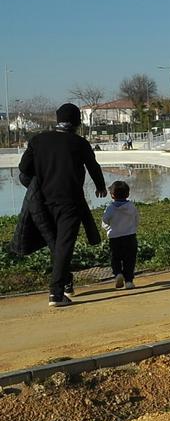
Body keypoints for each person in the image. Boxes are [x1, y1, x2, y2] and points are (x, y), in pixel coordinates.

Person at [17, 103, 106, 307]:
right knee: (64, 244)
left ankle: (65, 282)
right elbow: (93, 166)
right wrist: (100, 186)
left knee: (56, 244)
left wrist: (35, 185)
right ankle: (56, 293)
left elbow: (24, 169)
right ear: (77, 122)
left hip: (42, 202)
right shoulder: (79, 143)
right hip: (70, 202)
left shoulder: (38, 140)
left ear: (57, 120)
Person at [102, 180, 139, 290]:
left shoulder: (110, 208)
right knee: (130, 259)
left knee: (115, 257)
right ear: (128, 194)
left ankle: (118, 273)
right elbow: (136, 220)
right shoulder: (131, 206)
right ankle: (129, 281)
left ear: (112, 195)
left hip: (115, 237)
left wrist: (108, 228)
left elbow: (105, 221)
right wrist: (133, 228)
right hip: (130, 236)